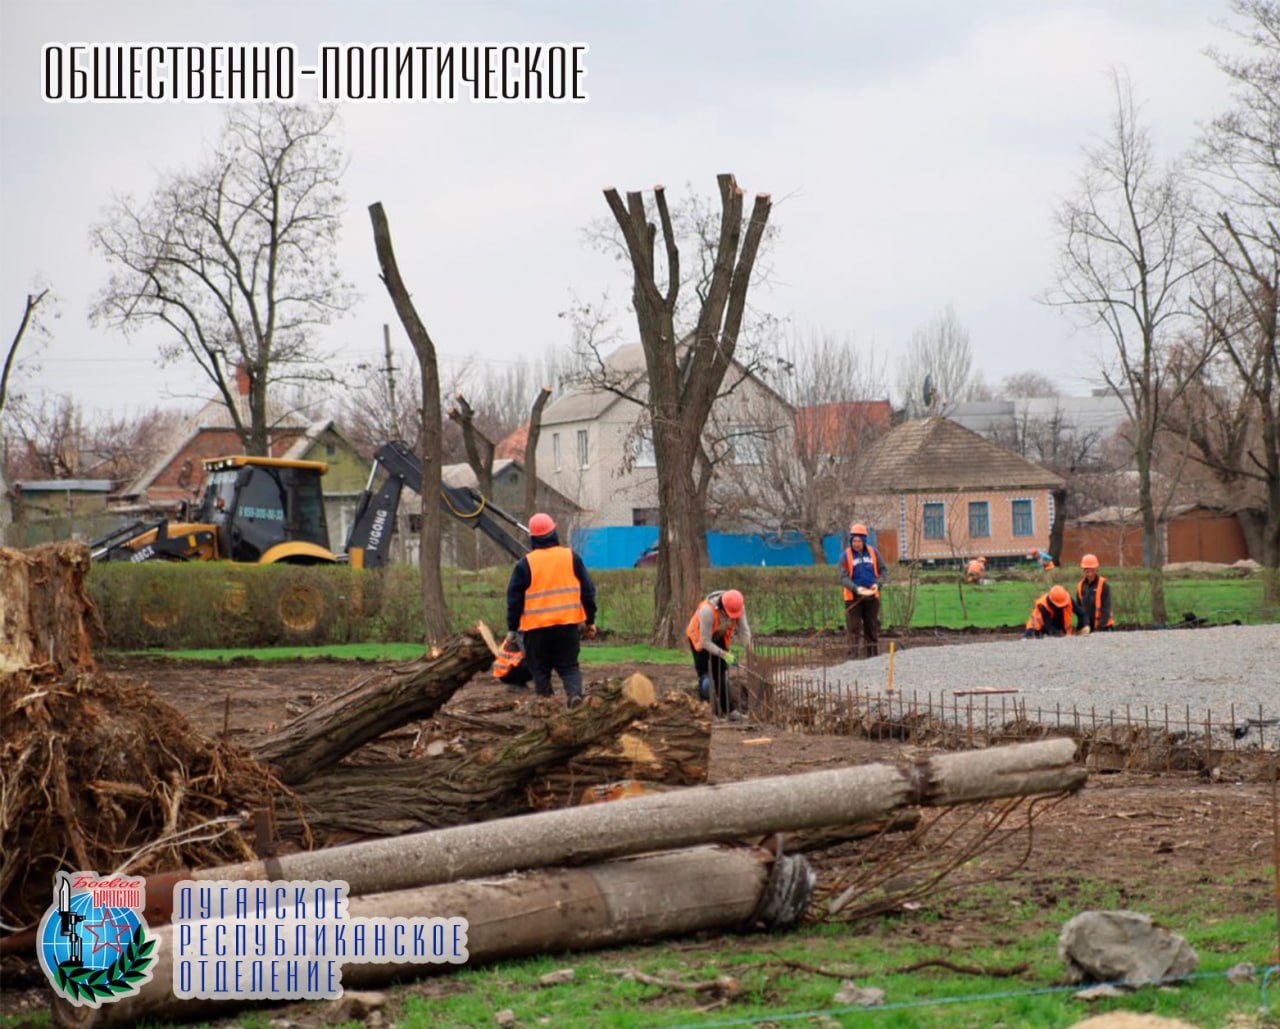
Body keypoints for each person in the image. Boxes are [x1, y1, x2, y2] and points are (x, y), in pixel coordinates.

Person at [506, 513, 597, 707]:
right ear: (554, 532)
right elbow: (588, 592)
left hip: (535, 629)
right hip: (567, 625)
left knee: (540, 670)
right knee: (569, 667)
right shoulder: (571, 557)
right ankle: (574, 696)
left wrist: (512, 628)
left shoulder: (525, 563)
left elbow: (514, 600)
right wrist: (590, 621)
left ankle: (546, 704)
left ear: (532, 537)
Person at [686, 589, 752, 716]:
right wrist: (724, 654)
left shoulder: (738, 607)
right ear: (722, 608)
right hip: (700, 637)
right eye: (729, 615)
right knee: (707, 679)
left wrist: (750, 651)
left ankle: (730, 711)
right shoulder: (707, 611)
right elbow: (705, 642)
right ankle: (707, 713)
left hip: (718, 635)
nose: (731, 618)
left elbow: (744, 631)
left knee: (721, 674)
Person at [838, 522, 883, 659]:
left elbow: (884, 571)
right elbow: (843, 577)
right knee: (854, 628)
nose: (856, 544)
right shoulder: (845, 556)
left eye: (859, 541)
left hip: (872, 597)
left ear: (864, 541)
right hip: (853, 598)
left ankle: (873, 656)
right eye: (854, 541)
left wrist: (878, 584)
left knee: (871, 626)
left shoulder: (874, 553)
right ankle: (853, 658)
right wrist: (856, 588)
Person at [1074, 553, 1114, 634]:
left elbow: (1106, 608)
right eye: (1087, 569)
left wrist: (1100, 628)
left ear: (1095, 569)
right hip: (1088, 627)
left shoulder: (1103, 584)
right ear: (1083, 570)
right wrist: (1080, 626)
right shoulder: (1080, 586)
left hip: (1104, 627)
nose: (1089, 572)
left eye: (1091, 569)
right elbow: (1079, 610)